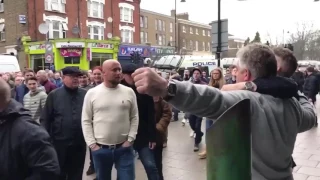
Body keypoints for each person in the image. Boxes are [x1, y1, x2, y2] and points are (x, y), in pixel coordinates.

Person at [131, 43, 316, 179]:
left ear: (247, 74)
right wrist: (293, 88)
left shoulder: (247, 101)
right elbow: (310, 115)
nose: (233, 73)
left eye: (237, 69)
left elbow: (212, 100)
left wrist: (167, 88)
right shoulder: (292, 104)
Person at [82, 60, 139, 180]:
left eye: (119, 70)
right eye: (114, 70)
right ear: (104, 73)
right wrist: (92, 144)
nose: (118, 73)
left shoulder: (129, 92)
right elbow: (86, 120)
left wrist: (130, 139)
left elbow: (134, 116)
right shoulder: (92, 93)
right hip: (101, 150)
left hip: (124, 149)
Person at [0, 78, 60, 180]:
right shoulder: (25, 97)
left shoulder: (31, 133)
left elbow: (48, 172)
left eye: (34, 84)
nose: (32, 86)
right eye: (29, 84)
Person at [40, 67, 87, 180]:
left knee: (76, 173)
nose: (76, 79)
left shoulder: (85, 95)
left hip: (79, 143)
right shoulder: (54, 95)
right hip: (59, 143)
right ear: (63, 78)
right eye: (72, 77)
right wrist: (46, 141)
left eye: (77, 77)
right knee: (59, 172)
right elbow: (45, 119)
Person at [121, 63, 158, 180]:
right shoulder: (119, 90)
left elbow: (151, 114)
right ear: (123, 76)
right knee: (125, 169)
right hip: (124, 136)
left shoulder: (144, 90)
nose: (132, 77)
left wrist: (152, 136)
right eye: (129, 75)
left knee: (150, 165)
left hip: (143, 135)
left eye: (134, 74)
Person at [199, 67, 225, 159]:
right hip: (209, 110)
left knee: (218, 131)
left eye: (217, 73)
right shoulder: (209, 84)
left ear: (220, 74)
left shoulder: (224, 85)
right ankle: (207, 149)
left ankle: (218, 149)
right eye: (213, 73)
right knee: (208, 130)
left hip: (219, 111)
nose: (215, 75)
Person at [153, 96, 172, 180]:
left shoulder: (160, 96)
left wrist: (158, 128)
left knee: (156, 164)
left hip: (156, 136)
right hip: (141, 136)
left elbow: (167, 114)